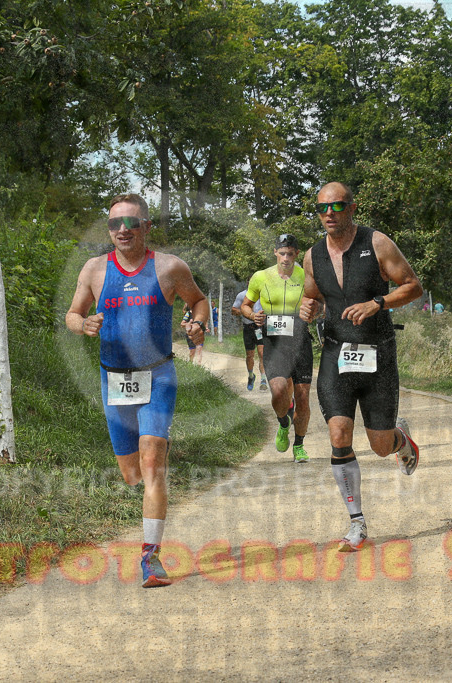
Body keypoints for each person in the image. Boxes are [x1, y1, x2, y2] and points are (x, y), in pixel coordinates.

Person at [66, 193, 209, 588]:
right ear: (109, 230)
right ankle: (155, 457)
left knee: (151, 464)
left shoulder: (169, 267)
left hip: (157, 375)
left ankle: (150, 557)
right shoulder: (94, 269)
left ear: (146, 226)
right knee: (131, 474)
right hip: (114, 380)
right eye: (115, 224)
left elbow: (199, 302)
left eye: (132, 223)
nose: (123, 230)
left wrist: (198, 325)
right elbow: (72, 314)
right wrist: (84, 325)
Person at [299, 182, 424, 552]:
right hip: (336, 355)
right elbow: (312, 297)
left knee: (381, 446)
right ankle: (357, 524)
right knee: (338, 435)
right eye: (322, 208)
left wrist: (377, 303)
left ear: (352, 208)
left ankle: (401, 441)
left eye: (337, 206)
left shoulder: (378, 243)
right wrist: (308, 309)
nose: (330, 214)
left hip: (378, 354)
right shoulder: (312, 256)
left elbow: (413, 286)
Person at [240, 233, 313, 464]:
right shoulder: (261, 277)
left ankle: (299, 445)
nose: (286, 258)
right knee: (279, 391)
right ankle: (283, 423)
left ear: (296, 254)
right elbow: (245, 305)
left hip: (300, 341)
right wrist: (253, 315)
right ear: (275, 253)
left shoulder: (307, 275)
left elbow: (319, 302)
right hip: (274, 343)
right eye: (282, 253)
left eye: (290, 254)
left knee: (302, 398)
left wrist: (314, 310)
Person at [231, 288, 268, 391]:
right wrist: (244, 312)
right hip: (248, 328)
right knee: (249, 355)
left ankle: (263, 379)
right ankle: (251, 376)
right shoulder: (242, 295)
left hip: (260, 328)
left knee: (262, 353)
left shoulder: (264, 294)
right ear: (248, 283)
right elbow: (233, 310)